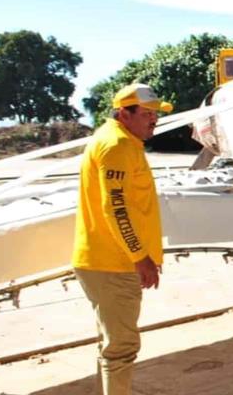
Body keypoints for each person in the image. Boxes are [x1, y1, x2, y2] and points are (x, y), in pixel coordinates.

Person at [72, 83, 172, 395]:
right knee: (122, 348)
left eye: (155, 114)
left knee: (111, 344)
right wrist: (139, 257)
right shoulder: (118, 146)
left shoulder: (116, 139)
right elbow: (115, 209)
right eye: (146, 114)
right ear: (123, 114)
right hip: (113, 265)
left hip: (104, 261)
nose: (153, 120)